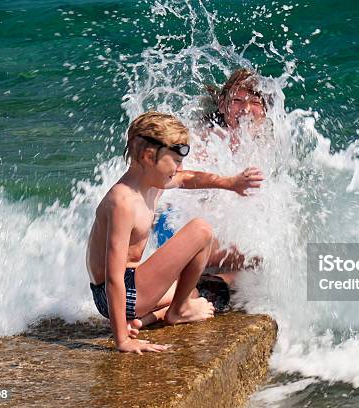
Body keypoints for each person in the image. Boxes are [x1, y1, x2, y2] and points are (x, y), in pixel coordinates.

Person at [86, 111, 264, 354]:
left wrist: (230, 183)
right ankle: (177, 311)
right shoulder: (123, 202)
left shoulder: (150, 182)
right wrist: (122, 341)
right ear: (149, 156)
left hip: (130, 291)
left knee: (197, 289)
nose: (179, 168)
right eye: (175, 161)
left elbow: (187, 179)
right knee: (201, 230)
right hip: (119, 292)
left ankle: (150, 318)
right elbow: (114, 277)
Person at [154, 68, 269, 283]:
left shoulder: (267, 144)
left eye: (254, 101)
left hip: (204, 239)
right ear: (223, 105)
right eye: (237, 100)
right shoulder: (205, 138)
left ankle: (215, 284)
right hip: (172, 228)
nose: (245, 109)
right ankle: (201, 286)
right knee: (264, 257)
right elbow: (171, 180)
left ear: (264, 110)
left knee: (269, 255)